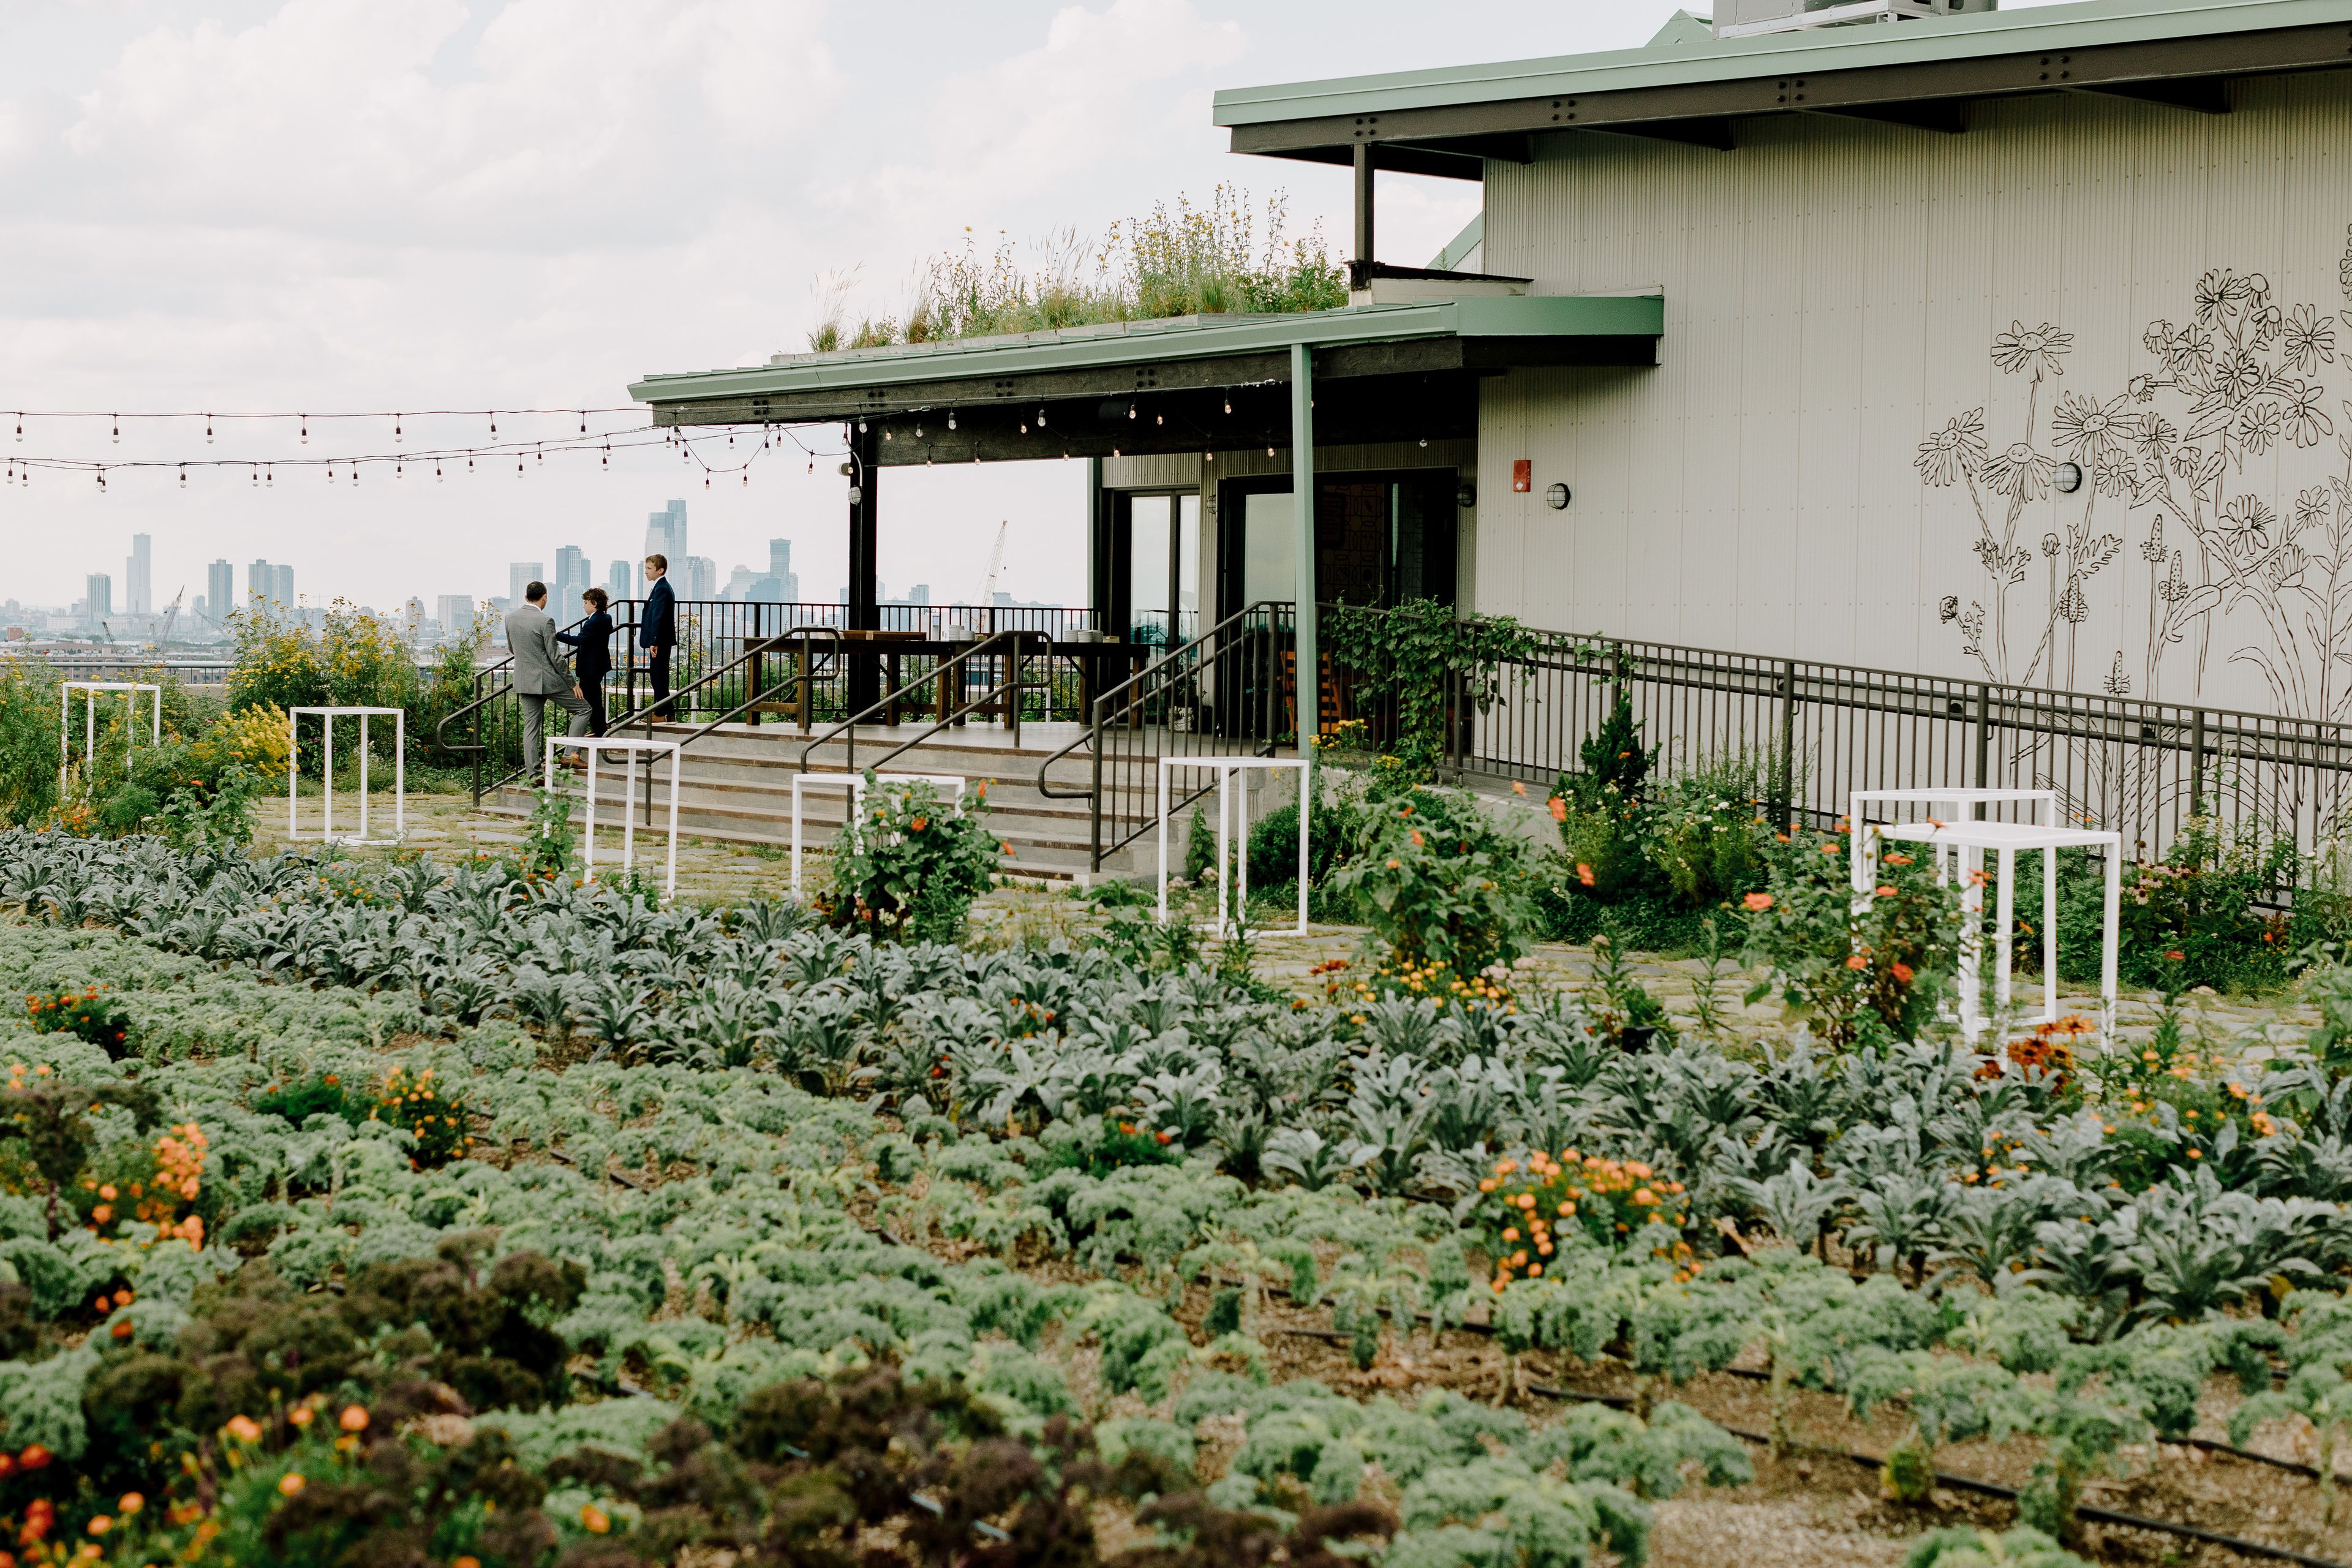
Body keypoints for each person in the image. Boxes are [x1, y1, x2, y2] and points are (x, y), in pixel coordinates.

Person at [505, 581, 591, 781]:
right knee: (584, 709)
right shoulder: (545, 621)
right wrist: (572, 683)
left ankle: (534, 776)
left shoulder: (510, 618)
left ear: (526, 597)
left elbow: (512, 649)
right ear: (544, 598)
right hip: (548, 681)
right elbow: (556, 657)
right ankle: (570, 755)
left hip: (525, 680)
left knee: (531, 728)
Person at [557, 587, 615, 736]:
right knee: (594, 697)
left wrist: (557, 635)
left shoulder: (593, 622)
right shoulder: (606, 618)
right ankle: (599, 729)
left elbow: (579, 640)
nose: (584, 606)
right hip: (599, 664)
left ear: (594, 603)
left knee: (589, 700)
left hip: (590, 666)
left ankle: (600, 730)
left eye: (586, 603)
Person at [640, 554, 676, 717]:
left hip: (660, 641)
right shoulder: (660, 587)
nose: (646, 572)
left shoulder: (661, 588)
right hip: (660, 640)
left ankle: (662, 713)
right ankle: (667, 712)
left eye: (649, 568)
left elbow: (659, 615)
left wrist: (654, 641)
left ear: (660, 570)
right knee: (658, 676)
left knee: (659, 677)